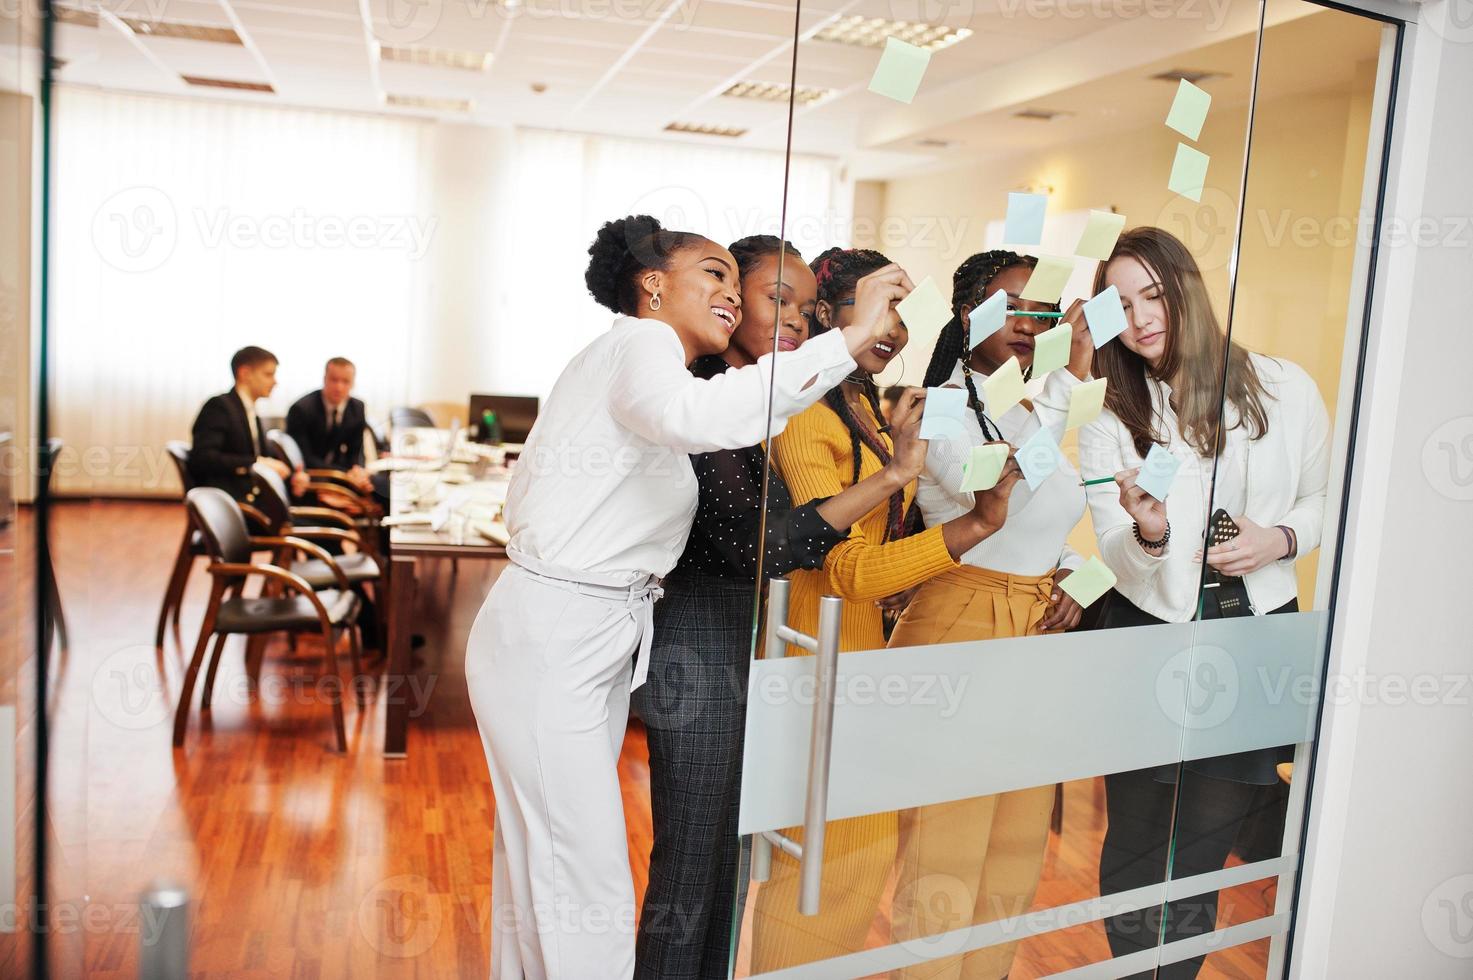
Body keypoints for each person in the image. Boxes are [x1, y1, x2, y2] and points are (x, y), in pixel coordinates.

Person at [464, 215, 912, 980]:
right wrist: (843, 339)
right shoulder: (639, 345)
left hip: (586, 631)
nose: (731, 298)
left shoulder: (646, 369)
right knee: (585, 873)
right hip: (558, 631)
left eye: (737, 288)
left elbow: (712, 418)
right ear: (651, 285)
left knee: (545, 858)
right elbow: (699, 420)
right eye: (714, 275)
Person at [632, 236, 932, 980]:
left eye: (805, 305)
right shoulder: (706, 400)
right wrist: (890, 479)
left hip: (750, 639)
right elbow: (761, 545)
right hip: (698, 641)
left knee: (727, 862)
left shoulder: (766, 399)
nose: (795, 318)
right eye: (776, 299)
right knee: (691, 863)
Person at [749, 247, 1025, 972]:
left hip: (855, 655)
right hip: (816, 654)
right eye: (875, 306)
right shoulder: (809, 415)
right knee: (822, 876)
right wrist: (969, 530)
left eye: (901, 309)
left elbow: (873, 546)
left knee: (845, 870)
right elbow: (842, 568)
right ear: (824, 314)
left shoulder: (861, 400)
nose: (893, 327)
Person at [1079, 227, 1329, 978]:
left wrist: (1280, 539)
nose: (1139, 319)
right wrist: (1149, 535)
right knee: (1135, 837)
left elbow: (1328, 496)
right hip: (1146, 637)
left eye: (1151, 295)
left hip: (1249, 639)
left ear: (1186, 287)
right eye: (1119, 305)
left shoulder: (1285, 387)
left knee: (1201, 844)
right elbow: (1112, 553)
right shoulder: (1108, 421)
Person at [885, 250, 1095, 978]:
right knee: (946, 848)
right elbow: (986, 506)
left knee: (1013, 847)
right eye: (1013, 306)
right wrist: (1073, 384)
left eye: (1044, 310)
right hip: (960, 620)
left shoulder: (1021, 405)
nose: (1030, 324)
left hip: (1032, 631)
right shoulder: (937, 404)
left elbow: (1055, 525)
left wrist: (1079, 580)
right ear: (967, 311)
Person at [189, 345, 306, 502]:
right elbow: (203, 458)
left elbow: (263, 456)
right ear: (245, 373)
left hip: (253, 494)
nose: (275, 382)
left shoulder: (249, 410)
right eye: (268, 374)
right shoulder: (219, 406)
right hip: (233, 500)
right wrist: (256, 463)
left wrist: (294, 476)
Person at [286, 356, 386, 507]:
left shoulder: (357, 408)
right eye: (334, 380)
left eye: (345, 382)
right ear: (324, 379)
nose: (339, 387)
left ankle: (381, 525)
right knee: (367, 497)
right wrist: (346, 475)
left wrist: (357, 471)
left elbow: (355, 451)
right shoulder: (302, 409)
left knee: (383, 489)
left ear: (353, 383)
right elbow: (305, 457)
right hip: (311, 475)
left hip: (340, 472)